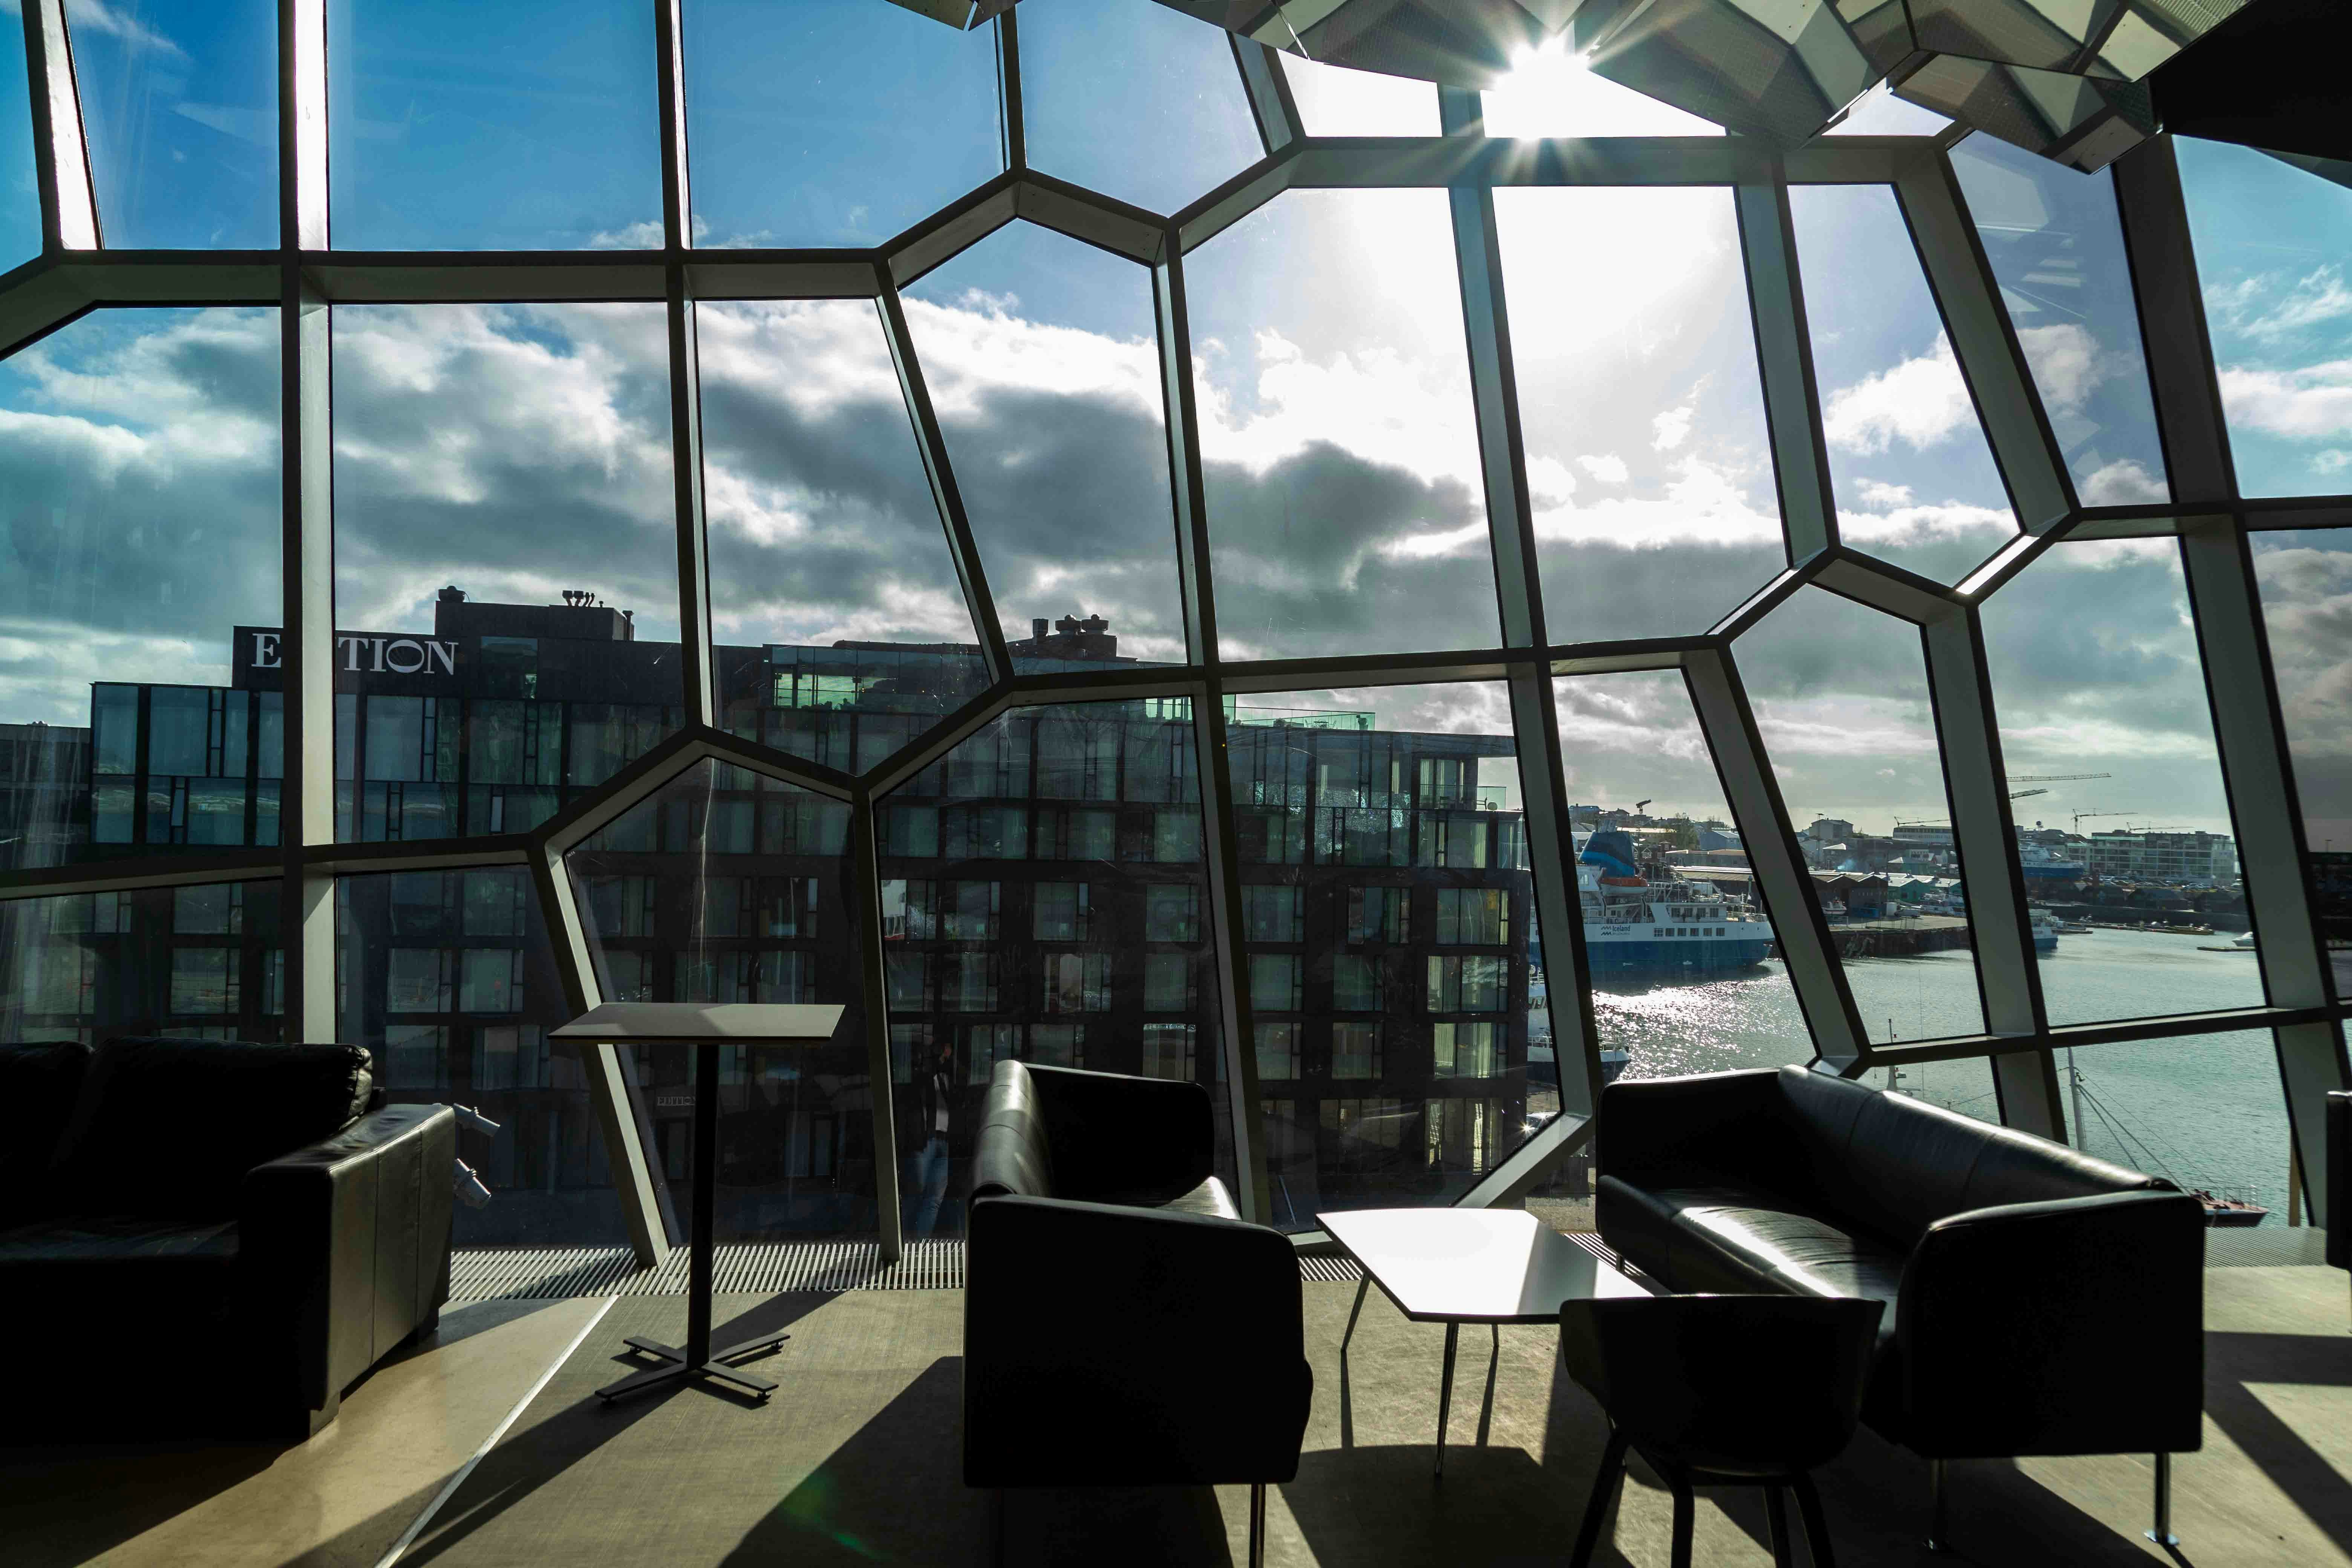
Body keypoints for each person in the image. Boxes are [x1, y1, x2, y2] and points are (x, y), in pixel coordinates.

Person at [903, 1038, 956, 1237]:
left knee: (934, 1199)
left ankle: (920, 1246)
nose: (945, 1057)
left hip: (944, 1141)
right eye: (943, 1052)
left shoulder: (946, 1079)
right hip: (926, 1141)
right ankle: (905, 1243)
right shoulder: (923, 1077)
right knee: (915, 1194)